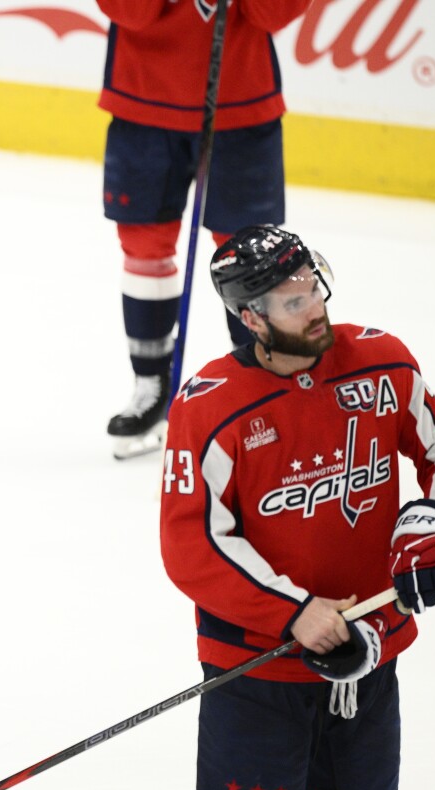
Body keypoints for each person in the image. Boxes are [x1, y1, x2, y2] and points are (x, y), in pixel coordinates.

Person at [160, 225, 435, 790]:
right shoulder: (209, 406)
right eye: (294, 301)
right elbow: (192, 541)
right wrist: (292, 612)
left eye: (313, 287)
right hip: (256, 671)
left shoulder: (380, 363)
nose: (316, 308)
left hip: (371, 649)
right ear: (251, 318)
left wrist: (432, 522)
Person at [96, 0, 311, 459]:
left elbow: (276, 13)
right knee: (143, 248)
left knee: (252, 255)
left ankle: (259, 391)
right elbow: (126, 10)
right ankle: (152, 384)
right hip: (143, 98)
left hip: (242, 100)